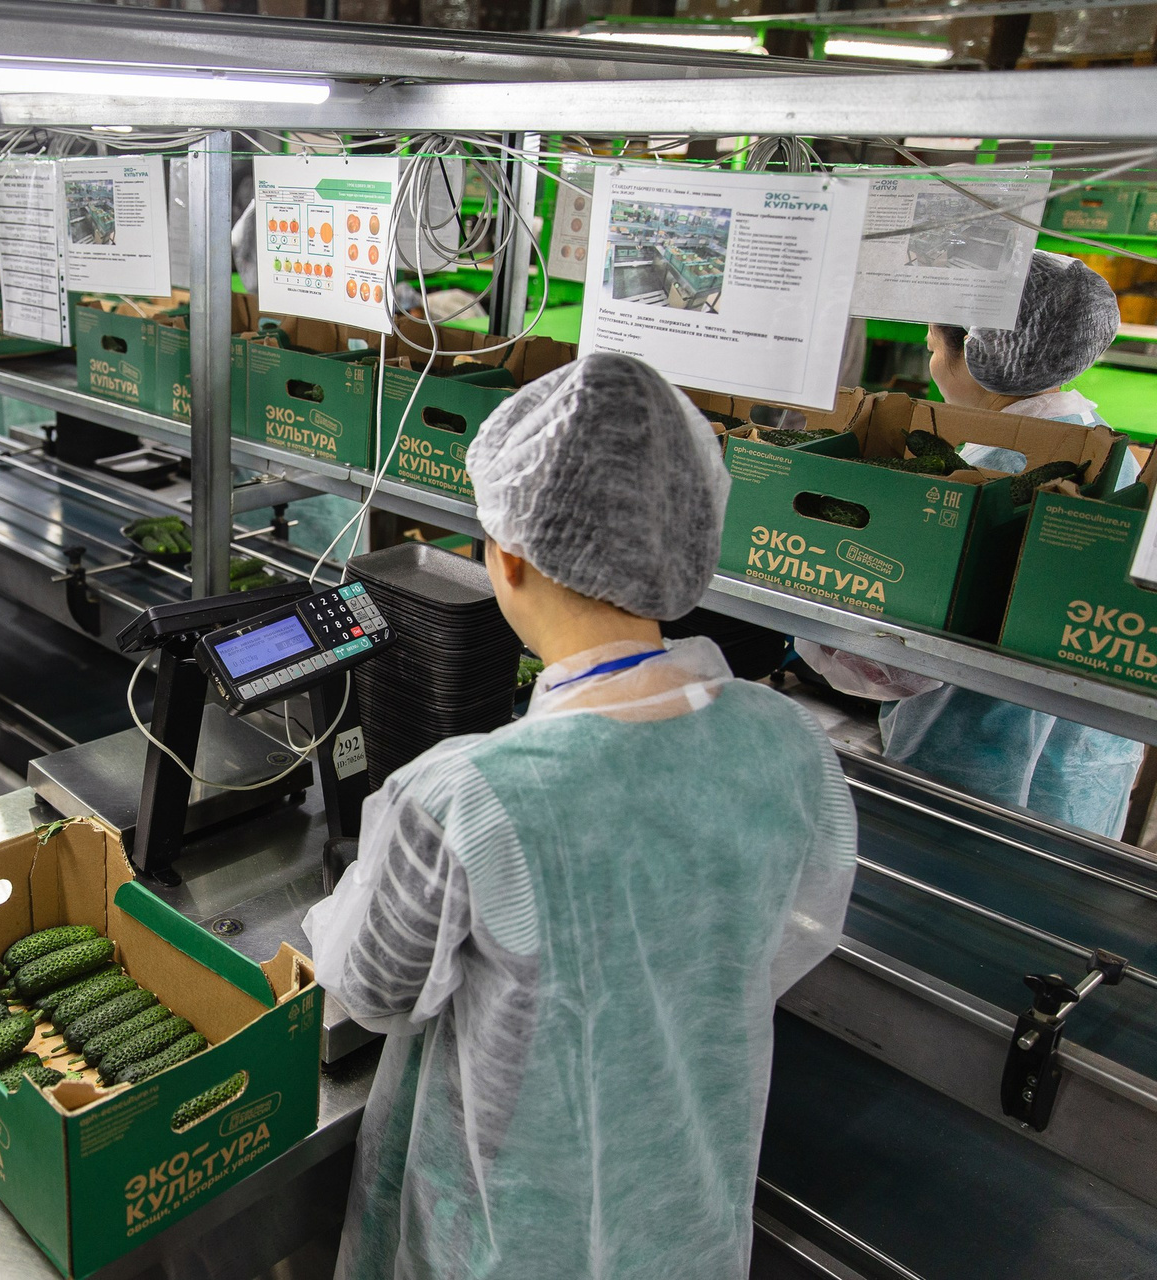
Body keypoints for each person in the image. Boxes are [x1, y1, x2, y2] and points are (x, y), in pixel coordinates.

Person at [302, 353, 857, 1280]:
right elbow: (782, 940)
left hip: (510, 1243)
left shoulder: (467, 797)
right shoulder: (787, 741)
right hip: (686, 1227)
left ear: (508, 557)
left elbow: (367, 988)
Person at [798, 251, 1141, 839]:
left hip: (972, 773)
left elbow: (896, 664)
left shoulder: (992, 471)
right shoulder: (1106, 451)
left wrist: (814, 600)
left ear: (976, 353)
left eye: (933, 347)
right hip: (1082, 782)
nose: (931, 360)